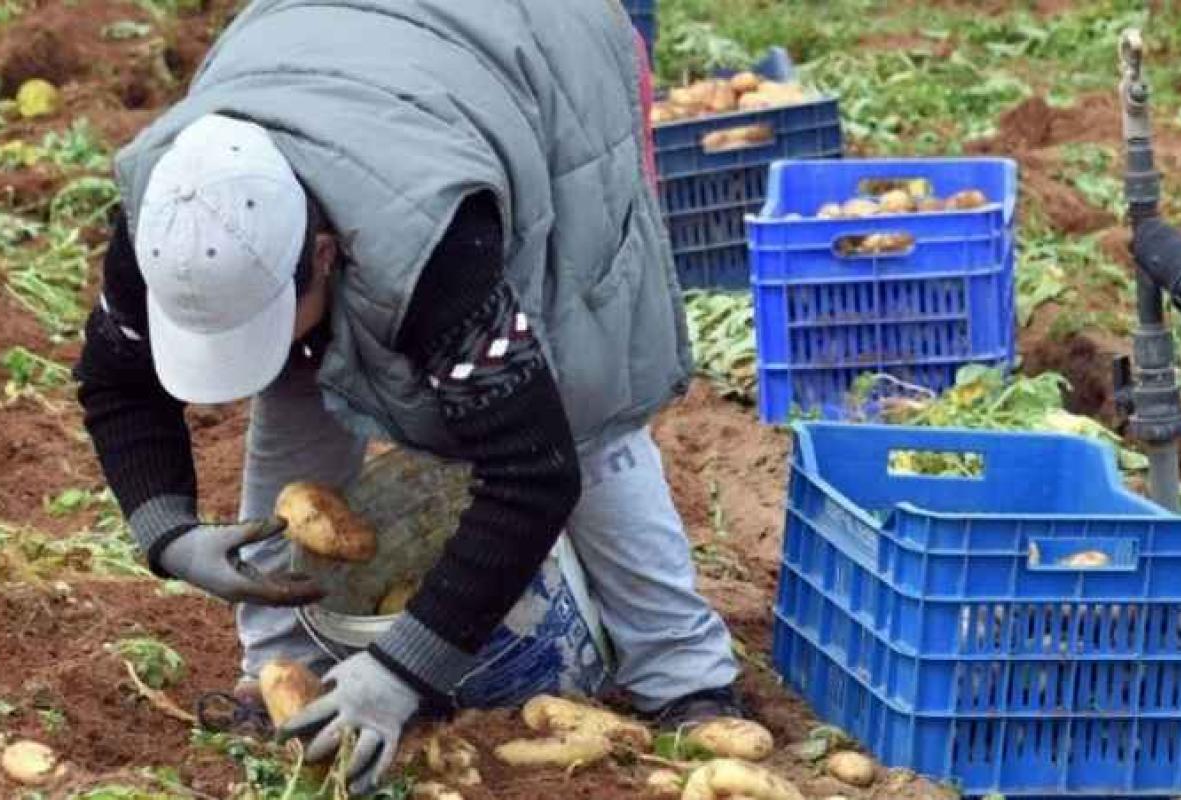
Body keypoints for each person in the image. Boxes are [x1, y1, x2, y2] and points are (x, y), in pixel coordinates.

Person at [72, 0, 741, 793]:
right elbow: (115, 382)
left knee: (584, 404)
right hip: (341, 52)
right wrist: (170, 533)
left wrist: (402, 671)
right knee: (298, 383)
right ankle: (281, 666)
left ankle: (685, 673)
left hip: (535, 47)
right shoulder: (171, 220)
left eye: (270, 320)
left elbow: (534, 472)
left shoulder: (439, 243)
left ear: (323, 254)